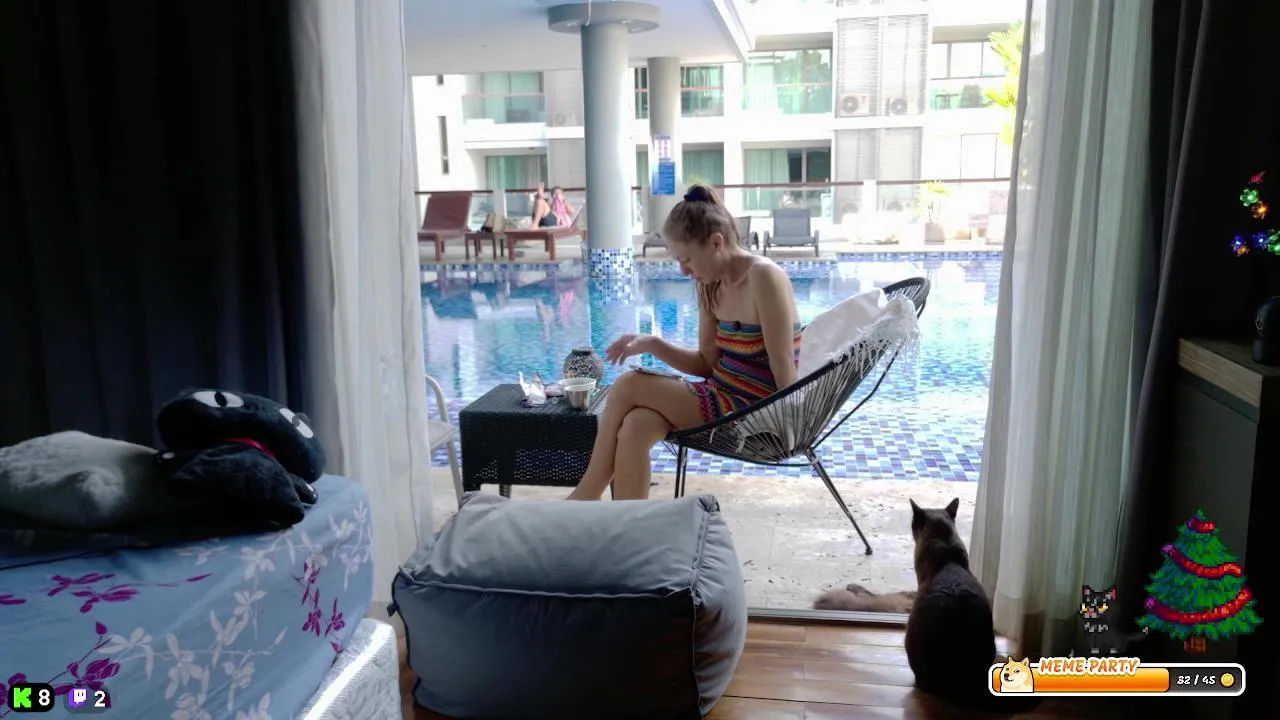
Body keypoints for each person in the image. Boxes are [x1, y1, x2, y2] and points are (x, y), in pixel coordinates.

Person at [566, 184, 801, 501]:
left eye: (687, 259)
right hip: (720, 396)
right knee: (636, 426)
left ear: (716, 243)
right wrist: (652, 344)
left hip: (752, 410)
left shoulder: (764, 277)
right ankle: (628, 524)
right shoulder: (710, 287)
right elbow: (706, 364)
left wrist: (794, 427)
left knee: (627, 385)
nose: (683, 270)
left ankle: (586, 496)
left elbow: (782, 364)